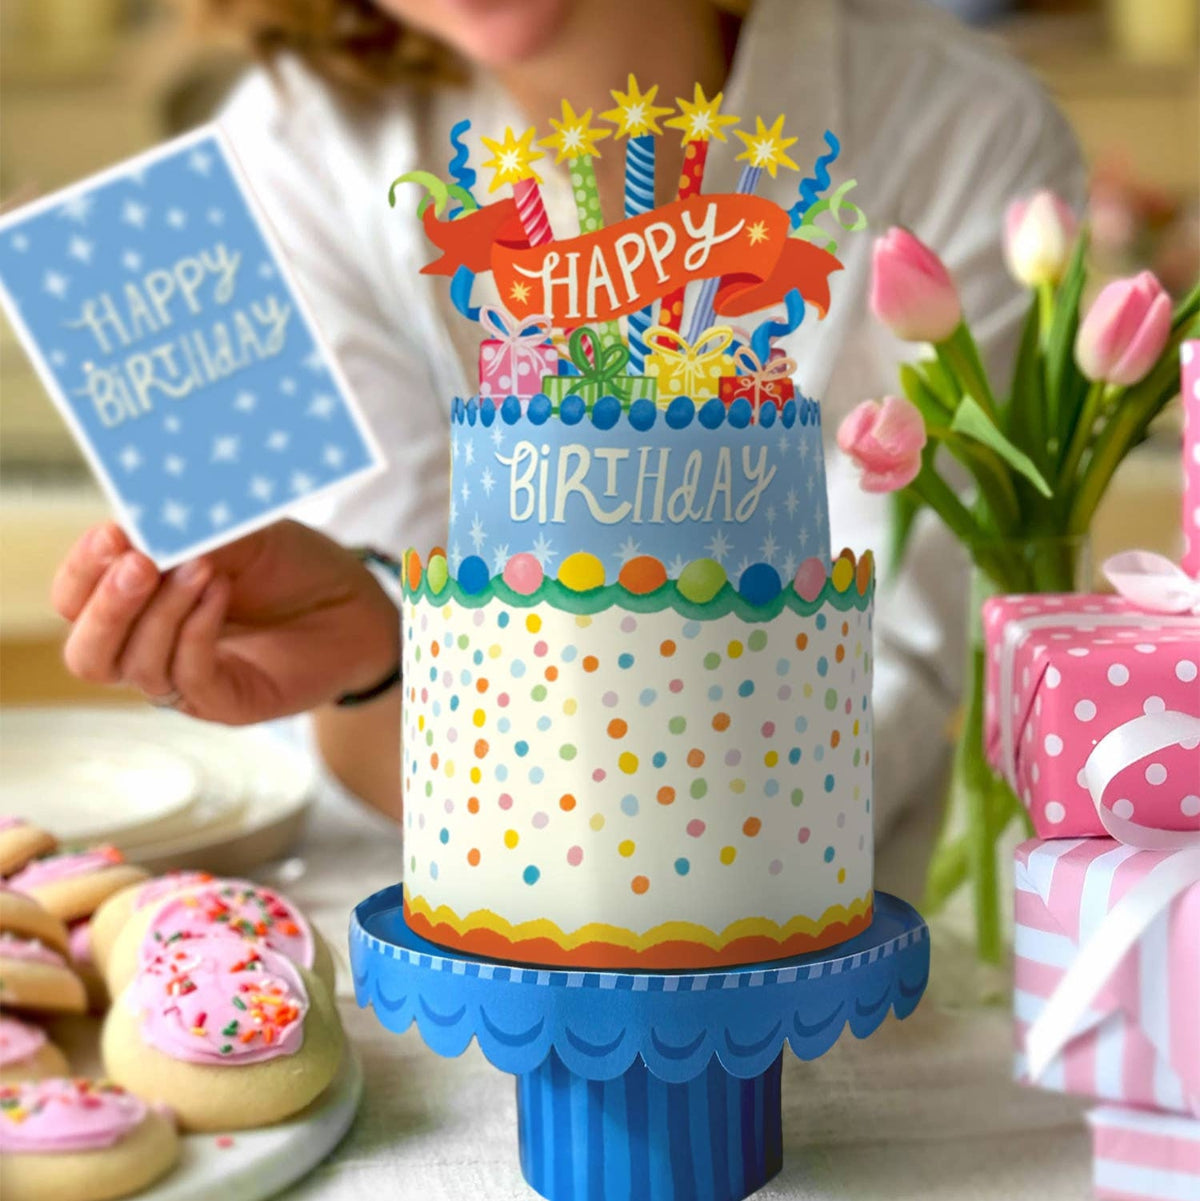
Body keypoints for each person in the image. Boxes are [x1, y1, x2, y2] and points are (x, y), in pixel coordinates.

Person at [50, 0, 1085, 829]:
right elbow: (387, 715)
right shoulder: (282, 155)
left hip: (826, 937)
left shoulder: (958, 125)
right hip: (444, 906)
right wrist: (372, 659)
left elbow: (891, 670)